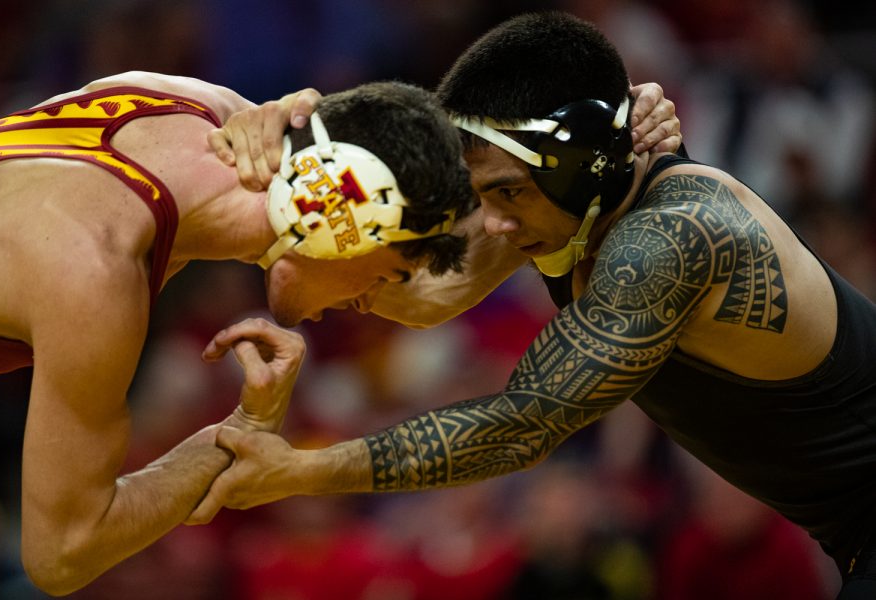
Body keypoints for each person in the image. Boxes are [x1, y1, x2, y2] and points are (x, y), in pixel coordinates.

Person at [191, 12, 876, 599]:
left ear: (583, 163)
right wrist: (294, 141)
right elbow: (431, 295)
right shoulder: (574, 196)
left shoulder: (671, 238)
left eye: (507, 194)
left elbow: (522, 426)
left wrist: (300, 471)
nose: (491, 224)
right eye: (485, 194)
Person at [0, 67, 679, 595]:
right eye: (380, 276)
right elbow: (61, 552)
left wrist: (600, 157)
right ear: (337, 229)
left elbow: (374, 148)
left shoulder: (181, 108)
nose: (370, 304)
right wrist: (239, 435)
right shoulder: (91, 271)